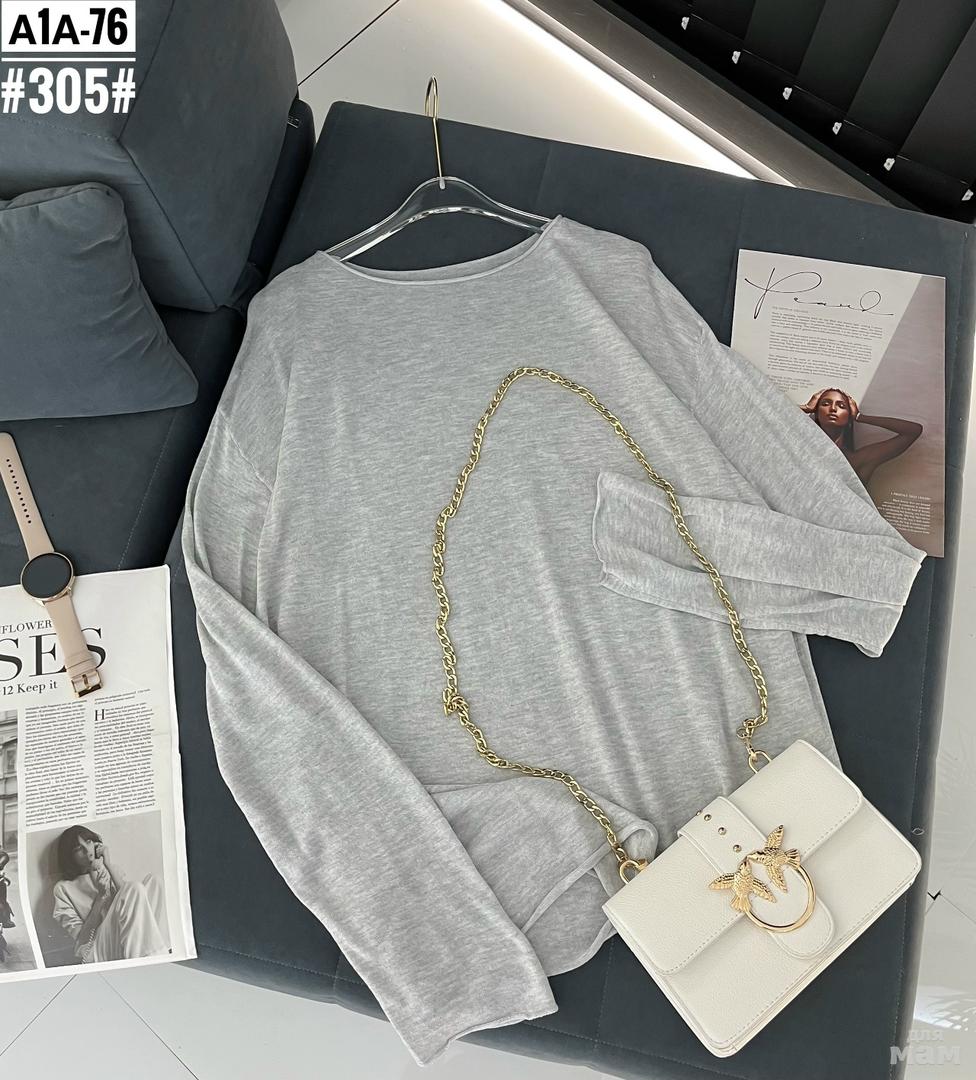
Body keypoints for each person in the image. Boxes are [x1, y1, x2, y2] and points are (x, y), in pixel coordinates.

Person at [51, 825, 168, 964]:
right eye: (78, 849)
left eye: (88, 842)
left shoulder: (108, 870)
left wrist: (108, 864)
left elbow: (130, 898)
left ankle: (155, 952)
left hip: (125, 936)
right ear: (70, 857)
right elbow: (82, 939)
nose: (87, 850)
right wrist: (101, 897)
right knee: (134, 887)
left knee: (155, 881)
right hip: (98, 948)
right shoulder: (63, 888)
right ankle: (152, 958)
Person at [801, 387, 923, 486]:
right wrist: (806, 408)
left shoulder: (858, 459)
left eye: (841, 406)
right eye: (825, 404)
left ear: (849, 418)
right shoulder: (802, 450)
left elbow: (913, 431)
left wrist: (860, 417)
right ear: (817, 414)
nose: (833, 409)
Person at [0, 848, 14, 928]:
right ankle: (5, 920)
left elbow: (4, 857)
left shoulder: (3, 855)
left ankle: (5, 919)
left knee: (2, 901)